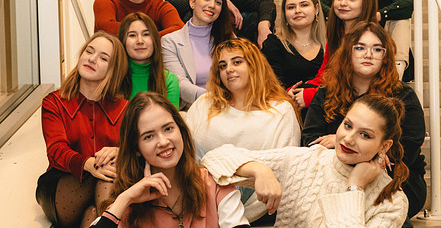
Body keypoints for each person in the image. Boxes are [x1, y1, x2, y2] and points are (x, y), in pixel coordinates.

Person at [202, 94, 409, 227]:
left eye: (365, 135)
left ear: (384, 146)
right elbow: (213, 158)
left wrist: (355, 187)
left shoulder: (392, 202)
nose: (348, 138)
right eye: (347, 125)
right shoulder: (306, 160)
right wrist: (259, 171)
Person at [302, 21, 426, 221]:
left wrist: (340, 141)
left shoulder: (403, 95)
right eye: (360, 47)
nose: (368, 54)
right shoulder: (326, 93)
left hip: (394, 178)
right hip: (335, 176)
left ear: (385, 57)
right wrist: (363, 150)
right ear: (347, 53)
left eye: (377, 49)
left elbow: (408, 147)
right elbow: (309, 141)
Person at [90, 92, 250, 228]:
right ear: (136, 148)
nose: (163, 141)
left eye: (168, 129)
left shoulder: (215, 184)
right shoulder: (130, 203)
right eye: (149, 136)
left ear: (180, 130)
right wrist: (125, 199)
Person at [186, 37, 300, 222]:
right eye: (222, 66)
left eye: (237, 62)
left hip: (251, 197)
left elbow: (284, 167)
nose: (229, 69)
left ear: (254, 65)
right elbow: (186, 153)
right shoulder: (205, 103)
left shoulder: (281, 111)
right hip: (197, 194)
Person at [36, 31, 129, 228]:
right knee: (106, 177)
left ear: (114, 69)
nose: (92, 59)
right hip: (63, 185)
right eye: (89, 51)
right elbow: (56, 150)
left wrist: (122, 152)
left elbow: (141, 150)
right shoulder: (54, 102)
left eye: (103, 58)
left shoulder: (125, 109)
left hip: (106, 185)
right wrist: (88, 164)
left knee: (94, 211)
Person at [289, 0, 378, 109]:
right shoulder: (338, 34)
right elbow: (325, 73)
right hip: (334, 95)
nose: (343, 3)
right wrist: (297, 91)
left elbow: (354, 84)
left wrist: (310, 95)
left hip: (359, 104)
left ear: (365, 2)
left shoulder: (370, 38)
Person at [162, 0, 235, 109]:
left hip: (229, 104)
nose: (212, 5)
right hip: (193, 108)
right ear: (192, 2)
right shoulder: (170, 42)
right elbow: (180, 83)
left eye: (218, 2)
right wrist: (212, 98)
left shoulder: (229, 37)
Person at [261, 0, 326, 93]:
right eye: (291, 7)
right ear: (284, 14)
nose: (297, 10)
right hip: (285, 105)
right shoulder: (273, 44)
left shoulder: (330, 44)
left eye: (304, 5)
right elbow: (270, 86)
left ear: (316, 9)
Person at [118, 12, 180, 108]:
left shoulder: (169, 80)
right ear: (123, 41)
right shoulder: (114, 78)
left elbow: (170, 121)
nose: (140, 41)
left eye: (146, 34)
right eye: (132, 35)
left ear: (154, 39)